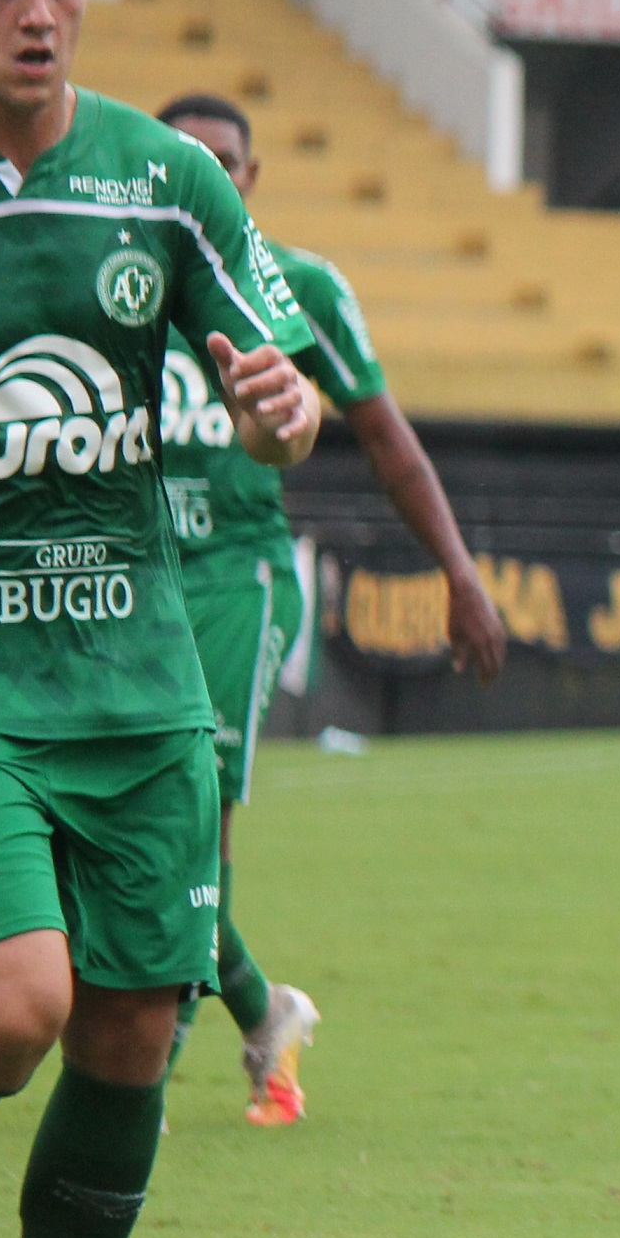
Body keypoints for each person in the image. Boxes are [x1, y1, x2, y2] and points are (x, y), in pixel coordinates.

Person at [0, 0, 320, 1238]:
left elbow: (278, 381)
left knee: (133, 1024)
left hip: (135, 667)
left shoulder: (164, 177)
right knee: (12, 1009)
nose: (39, 15)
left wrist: (279, 411)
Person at [149, 92, 502, 1126]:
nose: (206, 169)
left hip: (232, 579)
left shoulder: (293, 289)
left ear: (249, 178)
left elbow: (387, 438)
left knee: (187, 816)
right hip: (124, 578)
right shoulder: (112, 280)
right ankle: (263, 1013)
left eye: (223, 157)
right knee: (124, 825)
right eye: (184, 155)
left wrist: (460, 572)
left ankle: (146, 1065)